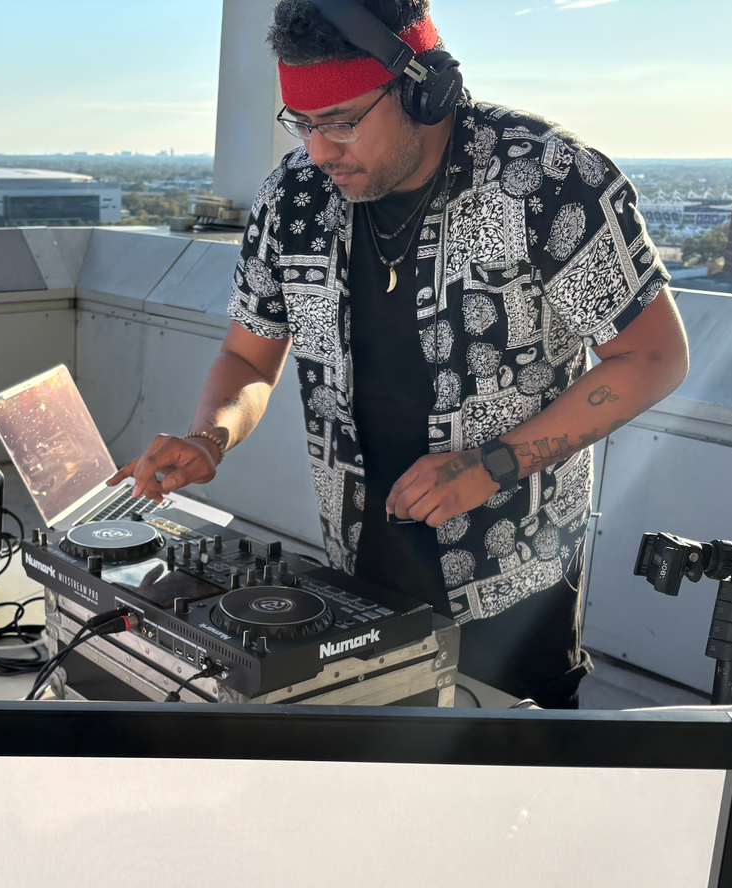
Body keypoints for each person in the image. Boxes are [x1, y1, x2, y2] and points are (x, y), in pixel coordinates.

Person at [107, 0, 689, 708]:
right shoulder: (293, 197)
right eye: (303, 124)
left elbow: (653, 357)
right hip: (358, 573)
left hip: (516, 586)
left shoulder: (546, 178)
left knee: (505, 769)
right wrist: (211, 435)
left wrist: (493, 464)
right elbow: (250, 359)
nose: (320, 152)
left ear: (423, 89)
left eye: (341, 122)